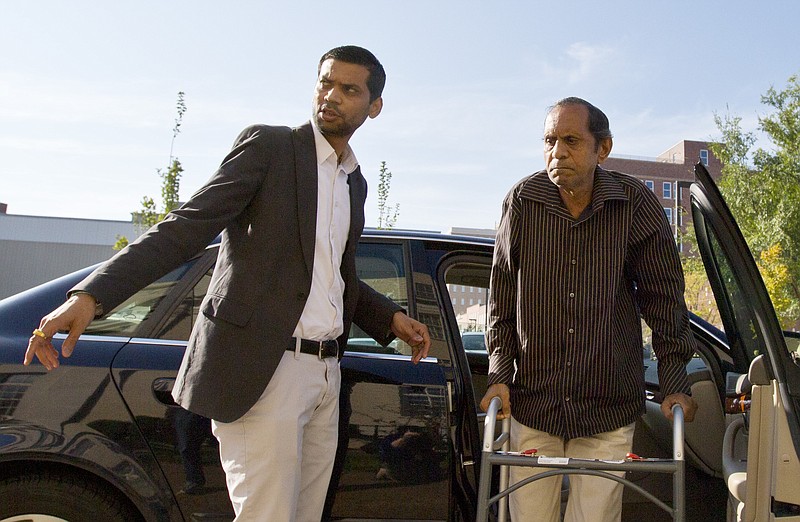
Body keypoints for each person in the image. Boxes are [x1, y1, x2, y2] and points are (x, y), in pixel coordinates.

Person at [24, 45, 431, 522]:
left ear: (373, 106)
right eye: (325, 83)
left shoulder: (352, 182)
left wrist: (390, 317)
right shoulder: (272, 148)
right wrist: (91, 296)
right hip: (262, 369)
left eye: (348, 89)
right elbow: (186, 225)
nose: (331, 96)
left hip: (325, 373)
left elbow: (335, 276)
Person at [479, 97, 698, 522]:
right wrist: (499, 375)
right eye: (549, 140)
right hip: (534, 404)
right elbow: (501, 299)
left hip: (607, 404)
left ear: (603, 148)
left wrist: (674, 381)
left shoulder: (634, 203)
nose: (557, 151)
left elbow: (664, 299)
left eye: (571, 140)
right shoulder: (523, 200)